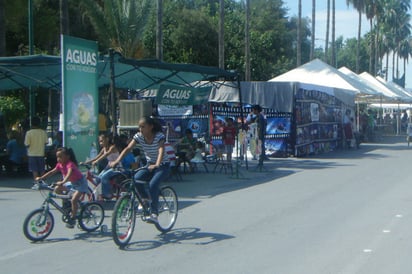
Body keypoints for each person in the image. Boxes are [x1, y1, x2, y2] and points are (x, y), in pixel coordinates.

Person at [110, 116, 170, 224]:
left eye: (143, 127)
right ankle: (145, 200)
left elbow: (161, 150)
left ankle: (154, 213)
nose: (140, 129)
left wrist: (157, 164)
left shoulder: (159, 136)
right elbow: (128, 149)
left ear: (150, 127)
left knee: (153, 185)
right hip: (149, 165)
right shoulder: (139, 136)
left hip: (162, 165)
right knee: (136, 179)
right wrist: (116, 161)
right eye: (139, 127)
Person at [36, 147, 88, 228]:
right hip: (71, 183)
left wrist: (63, 182)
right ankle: (67, 203)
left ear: (67, 157)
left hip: (80, 183)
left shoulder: (70, 164)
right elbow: (51, 172)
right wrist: (41, 178)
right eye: (57, 157)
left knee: (74, 200)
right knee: (57, 189)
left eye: (60, 156)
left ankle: (73, 219)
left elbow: (69, 174)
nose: (58, 159)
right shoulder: (59, 165)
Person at [81, 133, 121, 200]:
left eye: (102, 141)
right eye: (99, 141)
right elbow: (97, 157)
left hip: (117, 167)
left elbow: (105, 155)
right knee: (98, 178)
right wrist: (86, 162)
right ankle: (100, 194)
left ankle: (107, 194)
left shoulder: (112, 147)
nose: (100, 143)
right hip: (109, 166)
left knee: (104, 177)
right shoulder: (104, 149)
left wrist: (97, 161)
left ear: (107, 139)